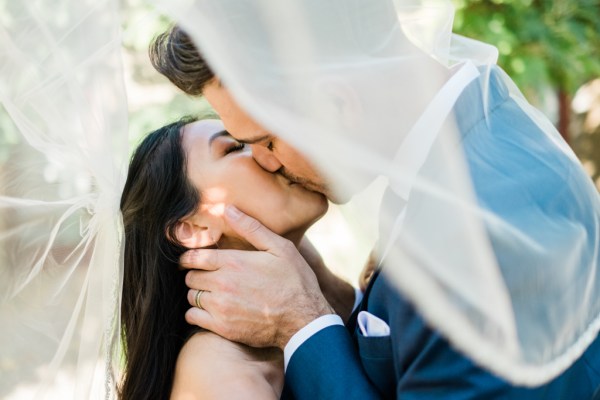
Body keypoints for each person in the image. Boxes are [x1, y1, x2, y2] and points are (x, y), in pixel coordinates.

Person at [150, 17, 600, 399]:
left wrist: (300, 324)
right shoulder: (469, 139)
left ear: (337, 102)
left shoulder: (477, 240)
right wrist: (333, 295)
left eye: (266, 141)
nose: (268, 164)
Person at [118, 116, 355, 399]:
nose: (267, 154)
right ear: (194, 229)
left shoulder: (323, 300)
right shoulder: (219, 374)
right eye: (235, 147)